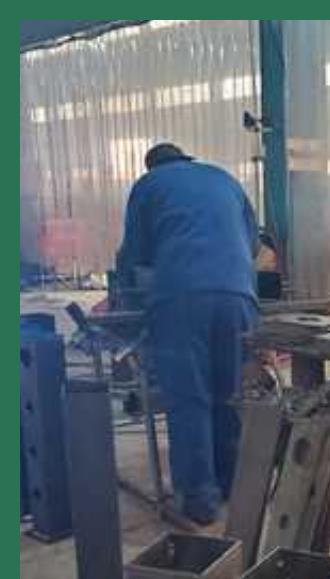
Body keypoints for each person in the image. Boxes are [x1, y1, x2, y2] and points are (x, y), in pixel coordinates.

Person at [117, 143, 259, 524]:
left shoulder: (149, 186)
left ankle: (199, 501)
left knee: (189, 399)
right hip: (238, 296)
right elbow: (253, 242)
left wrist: (125, 298)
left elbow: (135, 253)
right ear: (184, 158)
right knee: (228, 394)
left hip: (181, 300)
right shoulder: (224, 179)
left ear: (152, 166)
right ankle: (232, 486)